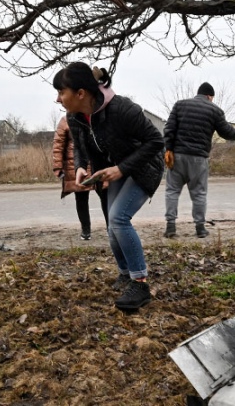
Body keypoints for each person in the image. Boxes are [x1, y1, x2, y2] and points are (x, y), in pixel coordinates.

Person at [53, 62, 164, 311]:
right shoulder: (74, 116)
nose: (58, 99)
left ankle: (140, 283)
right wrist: (82, 167)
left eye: (61, 92)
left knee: (119, 218)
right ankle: (126, 273)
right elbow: (81, 147)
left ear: (80, 93)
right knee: (112, 225)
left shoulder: (122, 109)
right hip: (112, 171)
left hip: (144, 167)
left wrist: (121, 169)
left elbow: (156, 141)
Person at [163, 82, 235, 238]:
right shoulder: (214, 110)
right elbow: (227, 133)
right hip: (199, 159)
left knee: (172, 191)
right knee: (199, 193)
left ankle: (170, 227)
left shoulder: (179, 105)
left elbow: (169, 129)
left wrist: (169, 149)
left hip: (178, 156)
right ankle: (200, 228)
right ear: (209, 96)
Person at [52, 115, 109, 240]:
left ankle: (110, 228)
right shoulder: (66, 120)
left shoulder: (95, 115)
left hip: (95, 162)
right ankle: (86, 230)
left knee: (105, 196)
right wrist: (58, 166)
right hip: (76, 165)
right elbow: (58, 144)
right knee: (82, 198)